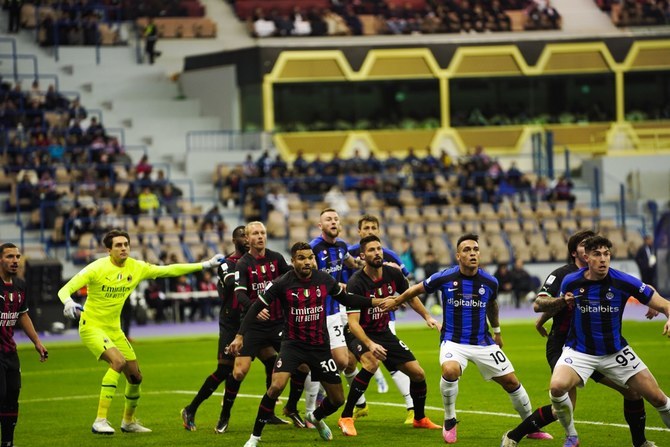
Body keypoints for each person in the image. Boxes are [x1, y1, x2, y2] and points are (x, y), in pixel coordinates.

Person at [382, 233, 547, 444]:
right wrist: (396, 301)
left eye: (475, 249)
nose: (472, 253)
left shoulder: (490, 281)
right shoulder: (445, 277)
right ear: (458, 255)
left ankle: (530, 426)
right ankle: (449, 419)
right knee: (450, 370)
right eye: (467, 250)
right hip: (453, 341)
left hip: (482, 342)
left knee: (511, 382)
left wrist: (497, 331)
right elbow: (415, 289)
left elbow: (492, 305)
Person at [57, 229, 224, 435]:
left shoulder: (136, 267)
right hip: (91, 326)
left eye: (126, 244)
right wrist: (68, 302)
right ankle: (100, 420)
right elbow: (64, 290)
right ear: (108, 250)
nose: (123, 248)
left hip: (114, 329)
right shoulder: (96, 268)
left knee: (135, 377)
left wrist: (205, 264)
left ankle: (128, 422)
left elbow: (169, 270)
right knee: (118, 362)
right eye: (118, 245)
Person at [501, 230, 658, 447]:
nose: (596, 252)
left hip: (599, 348)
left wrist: (652, 298)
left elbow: (635, 286)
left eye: (600, 250)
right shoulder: (562, 275)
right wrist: (546, 314)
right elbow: (542, 303)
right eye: (586, 245)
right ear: (576, 252)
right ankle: (516, 436)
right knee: (563, 406)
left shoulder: (604, 274)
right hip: (566, 346)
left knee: (632, 391)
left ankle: (640, 442)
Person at [228, 241, 386, 447]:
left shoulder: (324, 279)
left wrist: (375, 302)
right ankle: (254, 438)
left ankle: (315, 417)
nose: (307, 262)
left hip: (319, 347)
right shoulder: (281, 283)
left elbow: (347, 300)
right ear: (293, 261)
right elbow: (255, 307)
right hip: (292, 345)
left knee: (338, 399)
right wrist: (240, 336)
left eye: (310, 258)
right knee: (276, 387)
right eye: (301, 258)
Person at [546, 235, 670, 447]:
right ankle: (571, 436)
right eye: (597, 254)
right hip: (579, 351)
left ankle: (640, 442)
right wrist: (544, 318)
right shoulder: (571, 281)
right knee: (557, 387)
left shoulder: (623, 281)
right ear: (586, 257)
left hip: (615, 351)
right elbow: (559, 304)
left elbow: (665, 304)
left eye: (606, 254)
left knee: (658, 399)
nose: (603, 259)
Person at [338, 235, 441, 436]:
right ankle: (346, 417)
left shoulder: (393, 274)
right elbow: (353, 323)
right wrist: (369, 344)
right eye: (371, 250)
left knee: (418, 374)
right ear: (362, 255)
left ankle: (419, 418)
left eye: (379, 248)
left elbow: (410, 297)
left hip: (383, 332)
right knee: (371, 363)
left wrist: (428, 317)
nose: (377, 253)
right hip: (359, 332)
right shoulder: (355, 283)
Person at [220, 221, 306, 430]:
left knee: (302, 367)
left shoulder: (276, 258)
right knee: (239, 372)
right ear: (247, 239)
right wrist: (255, 308)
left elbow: (292, 279)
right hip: (253, 326)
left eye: (263, 233)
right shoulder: (243, 264)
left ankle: (291, 408)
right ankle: (224, 416)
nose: (260, 236)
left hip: (278, 324)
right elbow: (239, 294)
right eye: (255, 233)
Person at [181, 226, 249, 432]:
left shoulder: (258, 262)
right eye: (242, 236)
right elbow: (230, 282)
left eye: (249, 235)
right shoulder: (228, 263)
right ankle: (192, 409)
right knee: (226, 370)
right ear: (234, 240)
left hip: (252, 321)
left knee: (272, 360)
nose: (247, 239)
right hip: (232, 322)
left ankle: (271, 411)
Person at [347, 214, 414, 422]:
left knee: (389, 359)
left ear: (379, 231)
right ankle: (360, 404)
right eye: (366, 228)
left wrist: (397, 298)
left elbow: (405, 280)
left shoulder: (388, 255)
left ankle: (411, 407)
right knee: (346, 362)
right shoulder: (347, 253)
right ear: (359, 232)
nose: (370, 231)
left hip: (384, 315)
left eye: (373, 228)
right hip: (351, 311)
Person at [304, 208, 366, 423]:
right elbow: (305, 274)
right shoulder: (313, 248)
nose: (333, 222)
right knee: (316, 362)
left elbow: (352, 263)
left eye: (336, 219)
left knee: (341, 361)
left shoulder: (341, 246)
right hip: (315, 313)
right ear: (320, 225)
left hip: (333, 312)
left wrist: (368, 265)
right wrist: (334, 285)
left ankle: (320, 392)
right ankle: (309, 411)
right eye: (328, 219)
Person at [0, 243, 48, 447]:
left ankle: (8, 443)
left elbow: (23, 315)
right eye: (9, 256)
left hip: (10, 352)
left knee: (12, 397)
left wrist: (37, 342)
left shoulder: (20, 285)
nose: (15, 261)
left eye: (17, 257)